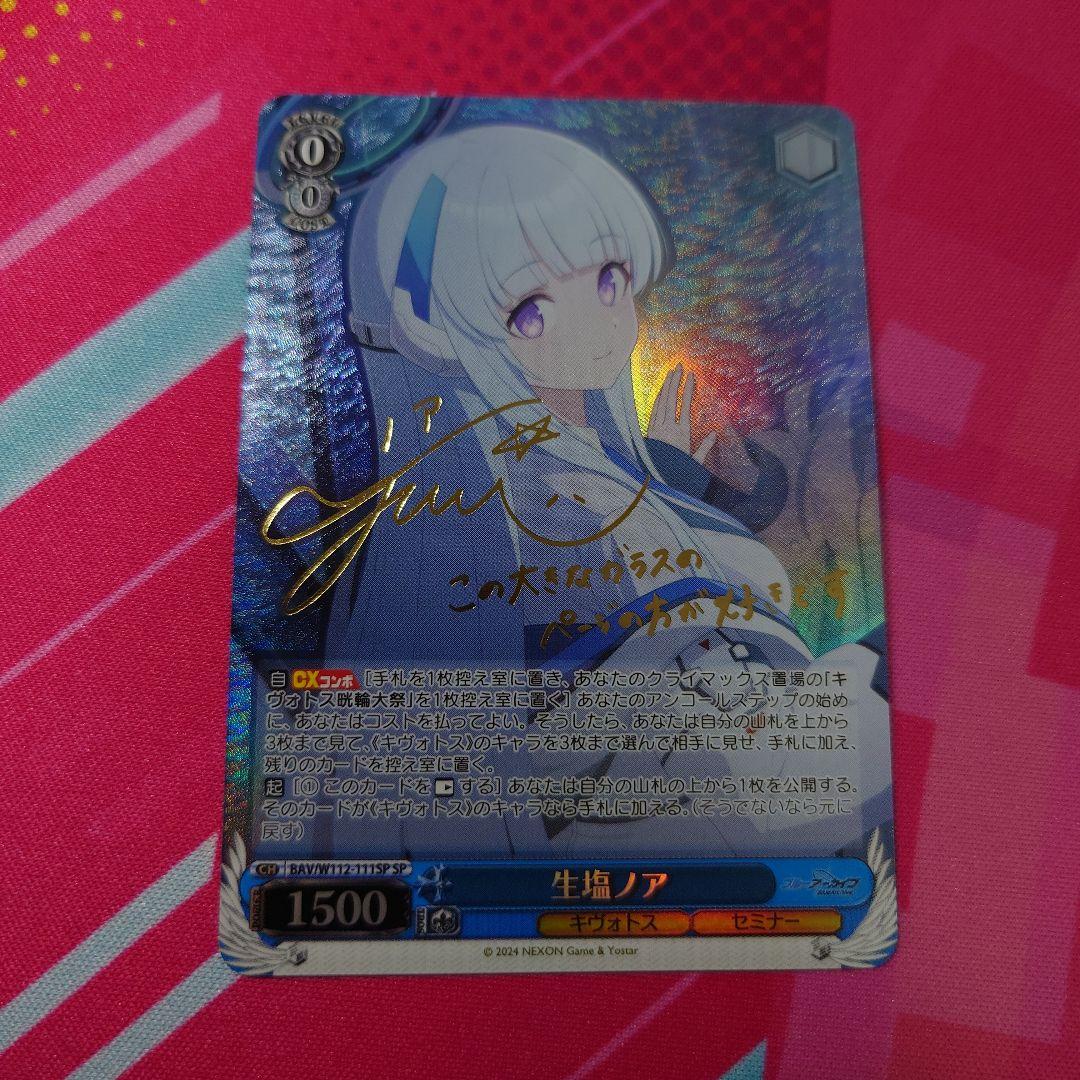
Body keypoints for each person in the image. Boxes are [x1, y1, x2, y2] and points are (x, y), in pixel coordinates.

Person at [314, 122, 890, 859]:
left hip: (767, 756)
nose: (597, 319)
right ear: (442, 328)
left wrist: (665, 476)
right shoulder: (480, 520)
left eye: (610, 281)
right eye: (531, 310)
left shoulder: (632, 475)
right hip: (699, 796)